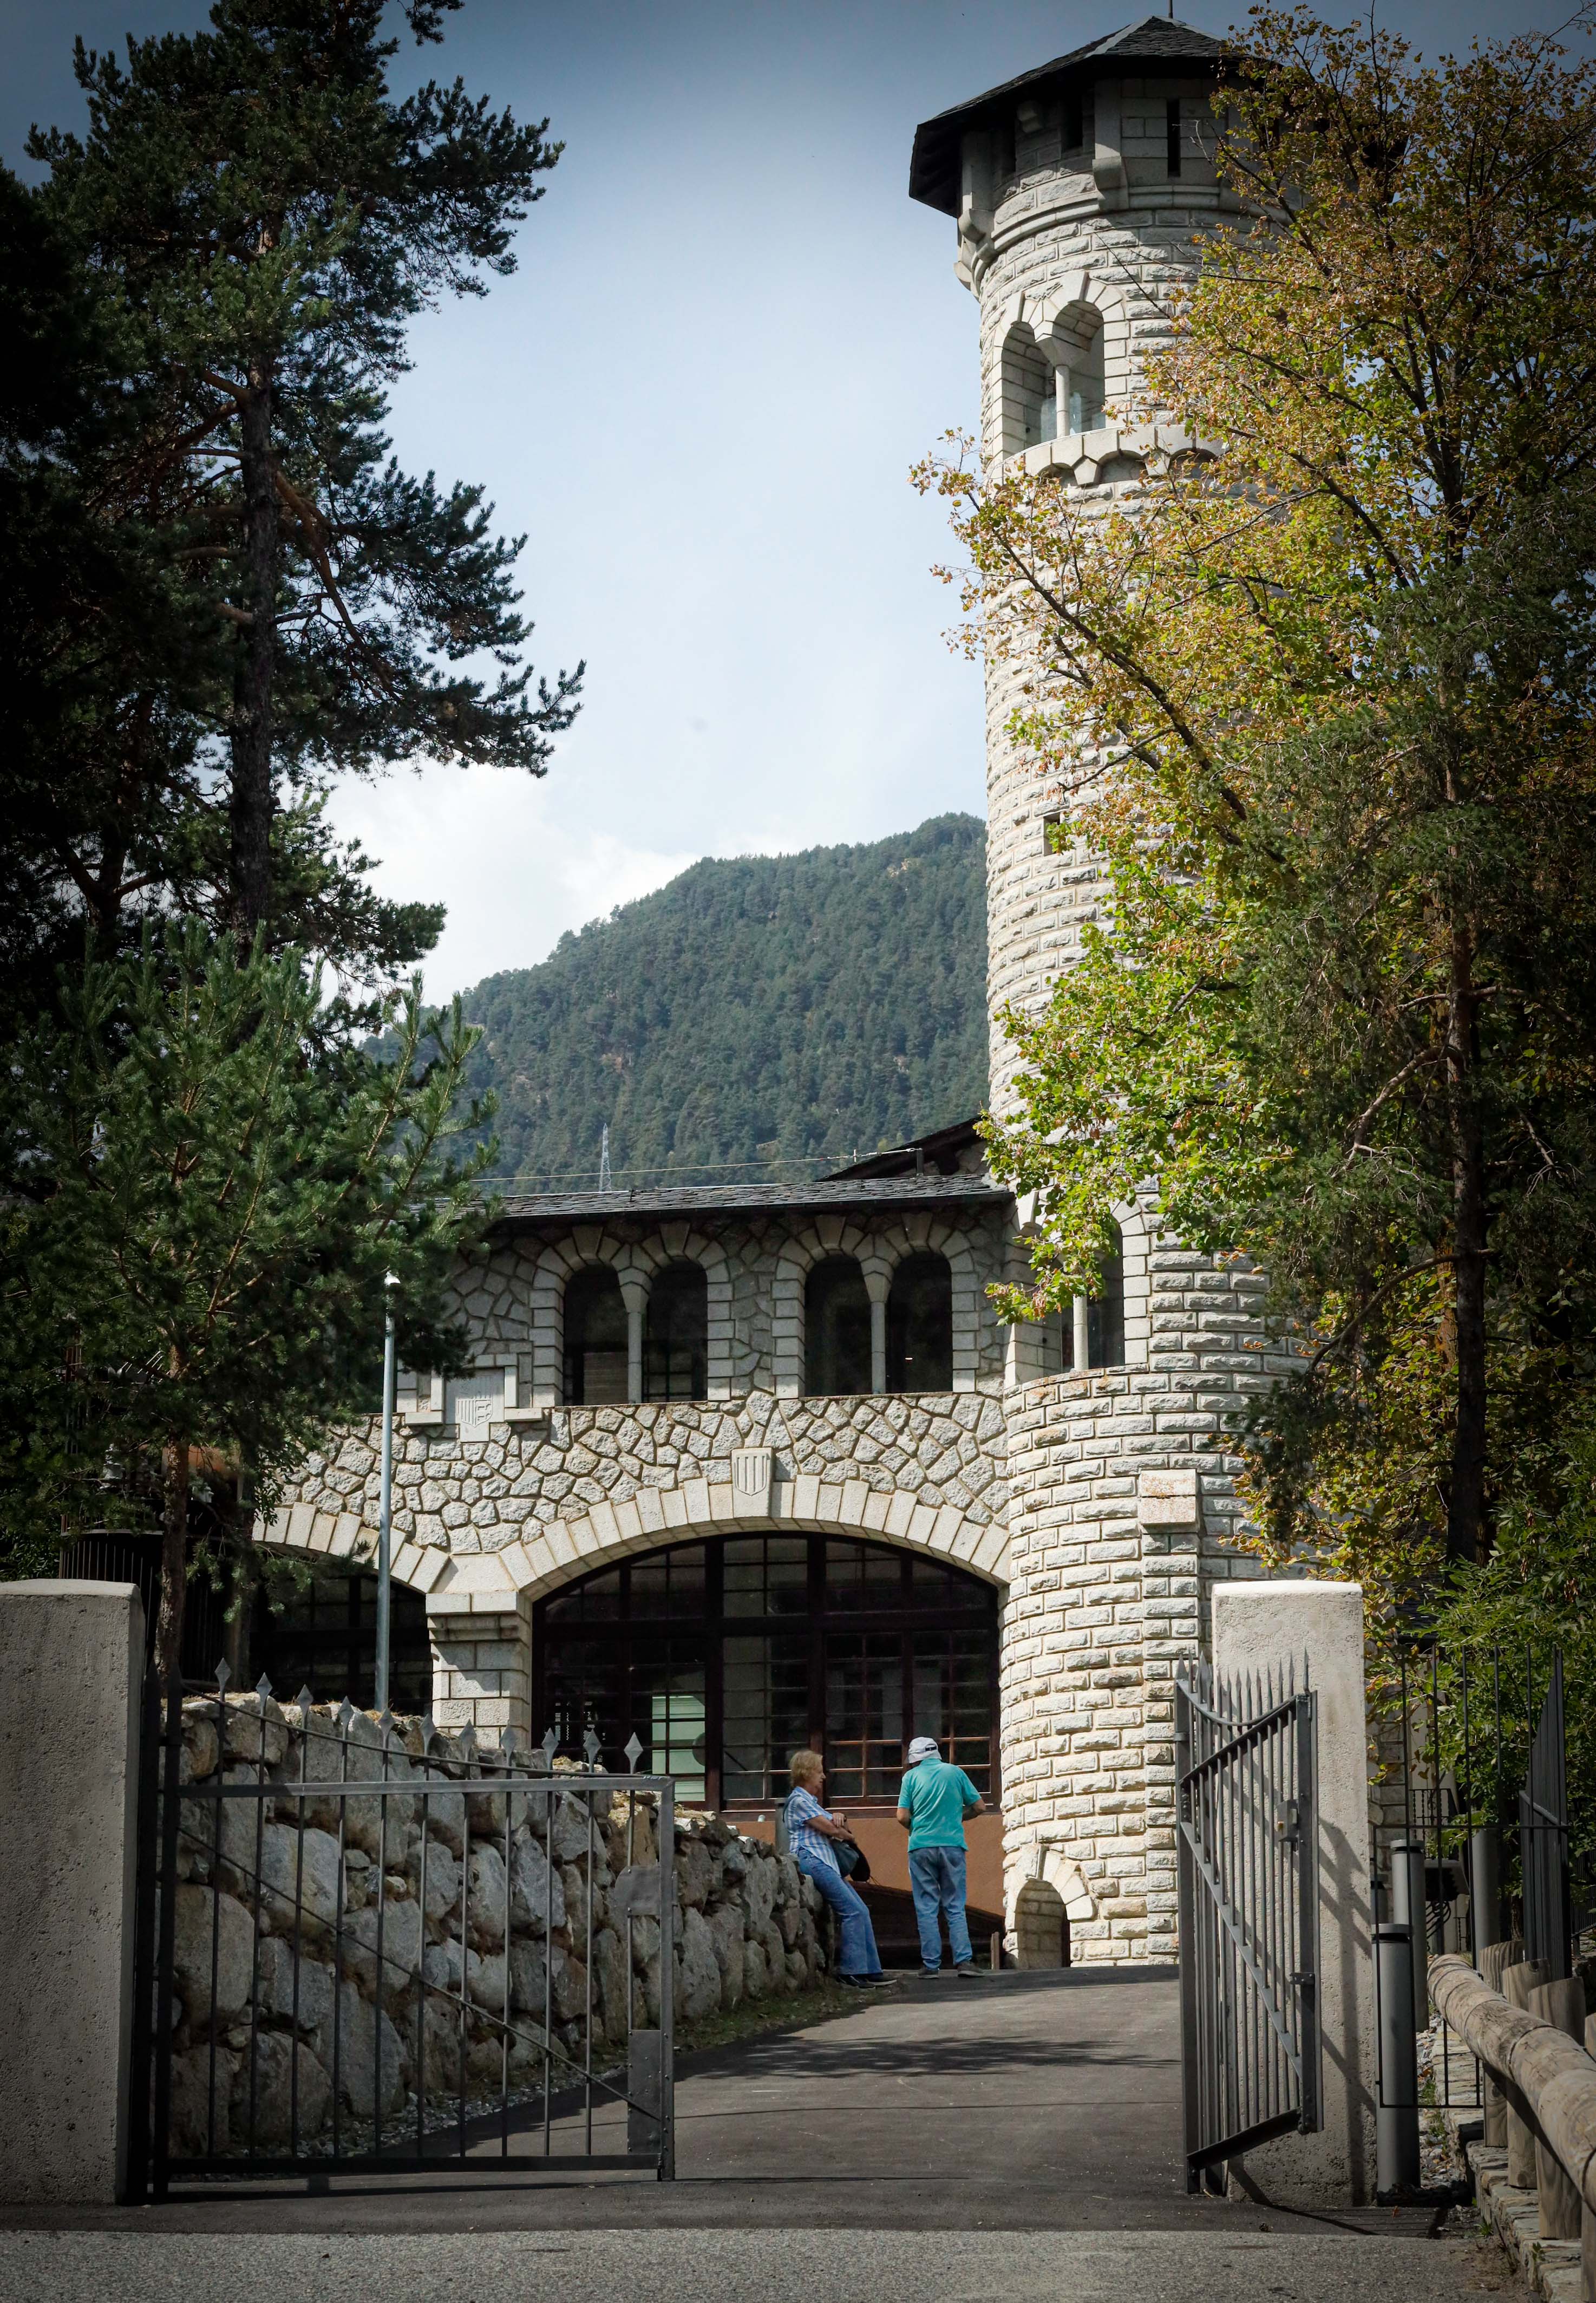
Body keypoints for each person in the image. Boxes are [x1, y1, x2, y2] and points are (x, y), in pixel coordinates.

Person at [784, 1749, 886, 1989]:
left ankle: (871, 1970)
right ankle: (851, 1972)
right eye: (819, 1772)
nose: (823, 1777)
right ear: (806, 1773)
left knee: (861, 1910)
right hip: (812, 1859)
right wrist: (840, 1827)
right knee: (852, 1911)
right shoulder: (798, 1801)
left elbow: (844, 1831)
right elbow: (833, 1831)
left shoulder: (812, 1804)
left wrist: (840, 1818)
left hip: (825, 1862)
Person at [896, 1733, 985, 1978]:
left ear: (915, 1759)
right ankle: (964, 1962)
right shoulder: (955, 1772)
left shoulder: (910, 1778)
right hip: (953, 1845)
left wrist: (916, 1828)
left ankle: (931, 1965)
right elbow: (979, 1807)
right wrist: (957, 1818)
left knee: (926, 1906)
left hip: (921, 1847)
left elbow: (902, 1816)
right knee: (955, 1905)